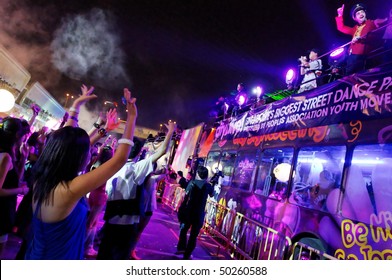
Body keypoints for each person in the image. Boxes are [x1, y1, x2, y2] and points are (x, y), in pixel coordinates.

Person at [24, 85, 138, 260]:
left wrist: (77, 106)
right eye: (88, 152)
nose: (90, 154)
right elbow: (120, 158)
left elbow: (66, 142)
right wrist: (131, 117)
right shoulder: (69, 189)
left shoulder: (45, 177)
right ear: (77, 157)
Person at [96, 121, 176, 260]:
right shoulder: (135, 168)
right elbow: (162, 151)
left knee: (104, 257)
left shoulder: (111, 166)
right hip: (126, 226)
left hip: (110, 222)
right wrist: (170, 132)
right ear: (139, 152)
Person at [0, 117, 30, 244]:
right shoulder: (5, 156)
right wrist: (22, 190)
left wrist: (24, 159)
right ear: (18, 135)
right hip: (1, 209)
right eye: (24, 135)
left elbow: (15, 180)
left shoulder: (9, 153)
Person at [335, 3, 387, 75]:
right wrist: (340, 15)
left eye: (362, 12)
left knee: (364, 75)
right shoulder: (354, 28)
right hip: (352, 57)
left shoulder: (371, 23)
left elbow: (381, 22)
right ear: (355, 18)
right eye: (358, 13)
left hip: (363, 57)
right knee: (350, 77)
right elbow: (341, 28)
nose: (361, 14)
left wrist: (387, 19)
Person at [176, 165, 214, 259]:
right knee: (193, 236)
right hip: (199, 214)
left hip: (189, 212)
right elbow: (212, 194)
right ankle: (187, 255)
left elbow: (185, 195)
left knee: (183, 230)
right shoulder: (207, 186)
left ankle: (182, 247)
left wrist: (179, 206)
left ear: (198, 174)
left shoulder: (192, 183)